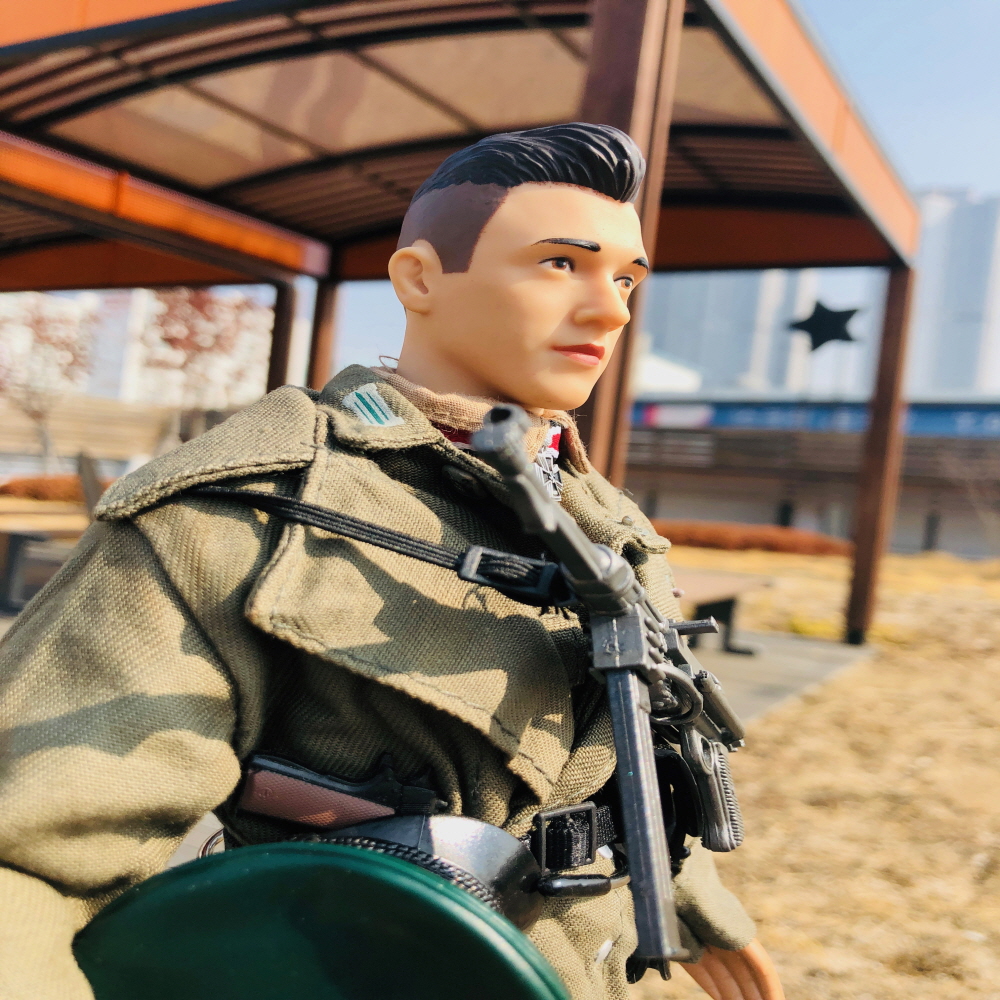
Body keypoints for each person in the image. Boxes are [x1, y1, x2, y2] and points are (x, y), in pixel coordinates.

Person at [0, 123, 782, 1000]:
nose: (612, 310)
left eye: (626, 278)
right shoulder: (243, 514)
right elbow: (29, 858)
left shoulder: (610, 524)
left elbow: (629, 751)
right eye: (561, 264)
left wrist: (694, 902)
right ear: (419, 279)